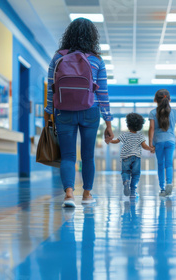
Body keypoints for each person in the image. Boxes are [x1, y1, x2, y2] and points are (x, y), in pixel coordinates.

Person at [44, 18, 114, 207]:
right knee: (88, 155)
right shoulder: (96, 60)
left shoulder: (58, 57)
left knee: (67, 156)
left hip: (63, 111)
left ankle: (68, 195)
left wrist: (49, 112)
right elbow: (103, 93)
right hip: (90, 111)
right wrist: (108, 122)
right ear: (92, 37)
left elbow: (51, 88)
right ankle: (87, 195)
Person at [148, 89, 176, 197]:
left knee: (160, 165)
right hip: (170, 141)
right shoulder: (174, 112)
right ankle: (169, 183)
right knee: (169, 164)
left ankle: (162, 189)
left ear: (155, 100)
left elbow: (151, 128)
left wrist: (150, 144)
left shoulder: (153, 112)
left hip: (158, 142)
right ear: (169, 99)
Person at [110, 113, 154, 198]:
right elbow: (144, 146)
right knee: (136, 174)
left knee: (125, 172)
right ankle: (133, 192)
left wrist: (109, 141)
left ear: (128, 124)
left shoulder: (124, 135)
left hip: (125, 157)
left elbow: (116, 141)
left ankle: (126, 181)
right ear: (140, 125)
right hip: (136, 158)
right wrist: (151, 148)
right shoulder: (140, 136)